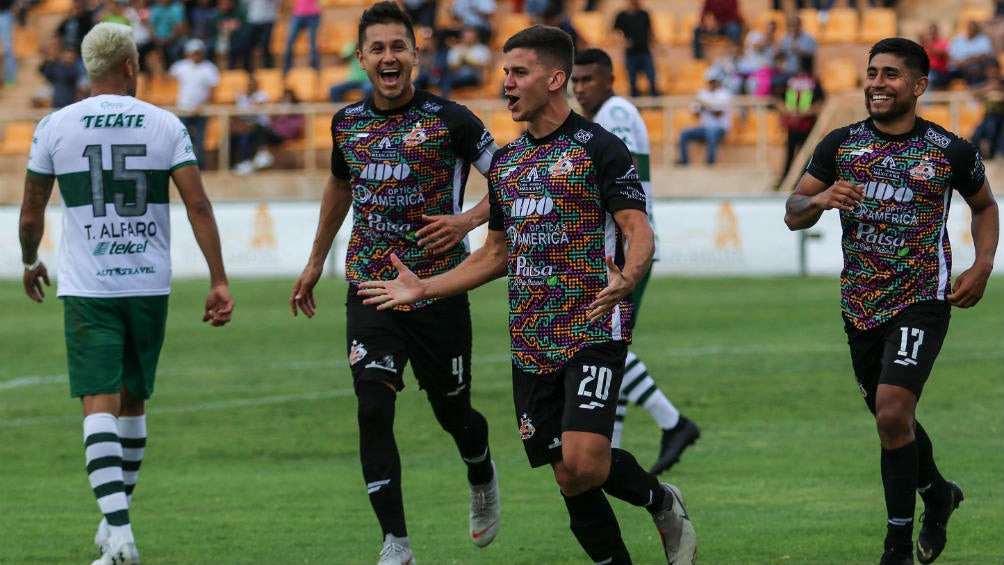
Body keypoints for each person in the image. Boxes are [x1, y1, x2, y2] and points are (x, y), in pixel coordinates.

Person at [359, 25, 697, 565]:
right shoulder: (508, 165)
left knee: (586, 459)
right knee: (567, 475)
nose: (506, 84)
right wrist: (424, 287)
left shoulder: (600, 149)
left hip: (592, 325)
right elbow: (495, 256)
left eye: (518, 73)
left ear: (554, 78)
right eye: (504, 73)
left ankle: (660, 500)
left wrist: (629, 275)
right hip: (531, 338)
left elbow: (639, 230)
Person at [289, 4, 501, 564]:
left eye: (398, 47)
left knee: (453, 413)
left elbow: (511, 176)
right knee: (372, 407)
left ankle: (480, 472)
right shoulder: (346, 124)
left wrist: (468, 220)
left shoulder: (453, 120)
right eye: (377, 48)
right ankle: (396, 544)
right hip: (372, 286)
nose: (389, 57)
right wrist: (316, 260)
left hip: (438, 289)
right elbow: (339, 189)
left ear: (415, 53)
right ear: (361, 58)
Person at [19, 22, 233, 565]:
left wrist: (28, 259)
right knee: (133, 402)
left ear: (89, 70)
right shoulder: (165, 125)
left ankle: (120, 532)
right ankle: (115, 530)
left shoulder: (54, 127)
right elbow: (198, 205)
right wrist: (218, 278)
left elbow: (30, 213)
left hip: (90, 285)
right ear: (132, 66)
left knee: (99, 401)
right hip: (147, 280)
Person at [783, 37, 999, 565]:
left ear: (919, 86)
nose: (877, 83)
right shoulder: (840, 143)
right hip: (860, 304)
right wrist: (819, 199)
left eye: (891, 75)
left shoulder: (950, 151)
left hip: (923, 298)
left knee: (892, 409)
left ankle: (896, 547)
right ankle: (938, 495)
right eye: (872, 73)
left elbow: (985, 207)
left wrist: (981, 265)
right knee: (891, 421)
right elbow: (792, 209)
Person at [570, 47, 701, 475]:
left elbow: (613, 182)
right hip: (618, 247)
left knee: (603, 342)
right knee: (613, 342)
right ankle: (613, 444)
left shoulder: (617, 114)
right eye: (576, 80)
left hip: (623, 249)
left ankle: (673, 422)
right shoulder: (607, 114)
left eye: (588, 79)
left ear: (610, 79)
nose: (580, 87)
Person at [168, 38, 219, 169]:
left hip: (200, 111)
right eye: (194, 52)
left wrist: (203, 105)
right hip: (183, 110)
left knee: (200, 140)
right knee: (182, 140)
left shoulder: (209, 68)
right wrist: (155, 66)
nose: (196, 55)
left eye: (198, 52)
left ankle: (199, 167)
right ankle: (183, 167)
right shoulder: (180, 66)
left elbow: (213, 92)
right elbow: (166, 79)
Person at [774, 56, 825, 187]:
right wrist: (803, 114)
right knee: (806, 155)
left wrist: (790, 113)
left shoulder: (791, 80)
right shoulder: (814, 81)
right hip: (807, 124)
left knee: (790, 154)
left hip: (792, 124)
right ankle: (803, 183)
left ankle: (785, 181)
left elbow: (778, 99)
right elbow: (820, 102)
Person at [677, 70, 733, 165]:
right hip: (704, 128)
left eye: (714, 81)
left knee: (711, 133)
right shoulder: (702, 93)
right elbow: (695, 114)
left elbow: (719, 113)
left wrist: (704, 105)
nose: (712, 83)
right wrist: (700, 106)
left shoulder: (724, 94)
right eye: (710, 81)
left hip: (721, 128)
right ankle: (684, 161)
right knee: (684, 133)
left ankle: (710, 162)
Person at [613, 0, 658, 97]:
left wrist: (656, 46)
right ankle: (635, 104)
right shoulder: (621, 16)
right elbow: (615, 32)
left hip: (645, 52)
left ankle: (655, 104)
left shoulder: (644, 14)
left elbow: (650, 32)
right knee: (632, 81)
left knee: (652, 78)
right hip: (631, 54)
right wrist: (623, 42)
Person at [968, 60, 1004, 158]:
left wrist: (999, 89)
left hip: (1001, 117)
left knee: (995, 131)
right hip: (988, 116)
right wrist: (988, 88)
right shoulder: (984, 84)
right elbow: (973, 94)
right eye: (990, 71)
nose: (992, 74)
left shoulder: (1002, 83)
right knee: (976, 136)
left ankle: (996, 155)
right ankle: (979, 158)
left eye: (994, 71)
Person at [947, 20, 995, 87]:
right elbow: (950, 55)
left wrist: (967, 62)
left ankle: (975, 89)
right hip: (957, 67)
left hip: (974, 66)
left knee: (974, 69)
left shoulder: (983, 39)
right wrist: (958, 63)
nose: (971, 29)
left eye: (973, 28)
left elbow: (984, 55)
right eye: (970, 27)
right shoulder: (958, 39)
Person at [281, 0, 321, 73]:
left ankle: (314, 66)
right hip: (298, 14)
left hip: (313, 15)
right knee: (290, 39)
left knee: (312, 40)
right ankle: (287, 67)